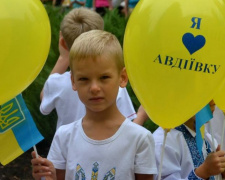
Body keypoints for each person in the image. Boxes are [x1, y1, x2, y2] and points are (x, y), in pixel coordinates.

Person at [31, 30, 157, 180]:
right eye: (84, 79)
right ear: (73, 82)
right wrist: (47, 177)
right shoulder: (64, 136)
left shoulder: (140, 139)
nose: (94, 88)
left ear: (122, 77)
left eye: (104, 77)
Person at [40, 8, 137, 130]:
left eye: (103, 78)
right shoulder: (113, 83)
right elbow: (127, 125)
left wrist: (63, 58)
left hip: (67, 148)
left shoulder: (56, 83)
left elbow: (45, 97)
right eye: (84, 79)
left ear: (63, 43)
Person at [153, 100, 225, 180]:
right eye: (206, 100)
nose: (213, 106)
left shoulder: (205, 135)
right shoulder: (163, 141)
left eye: (213, 102)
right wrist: (204, 171)